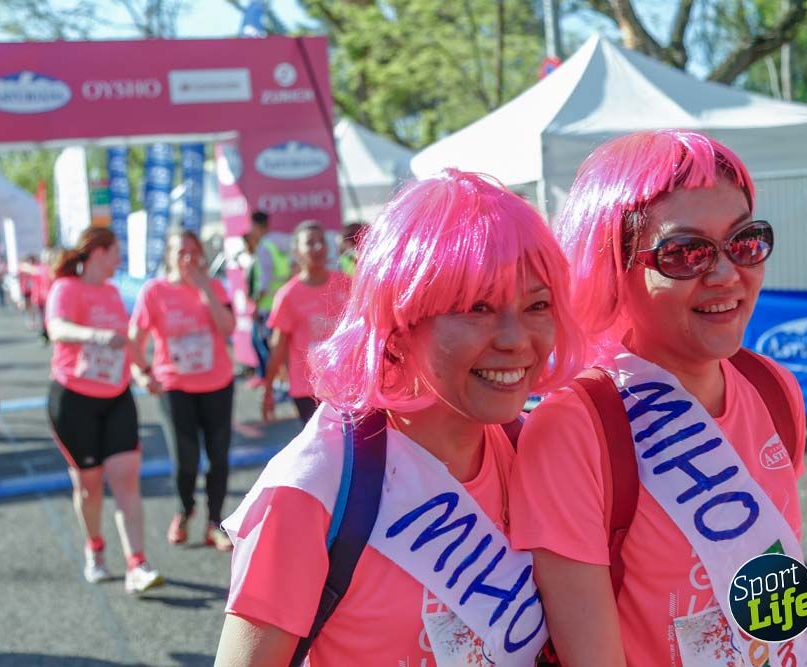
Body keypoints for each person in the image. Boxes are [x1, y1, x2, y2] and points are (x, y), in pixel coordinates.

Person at [214, 170, 584, 666]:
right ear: (399, 321)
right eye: (478, 307)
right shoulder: (314, 487)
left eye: (537, 304)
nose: (516, 339)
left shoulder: (531, 455)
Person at [509, 130, 807, 666]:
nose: (728, 274)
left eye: (745, 241)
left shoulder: (773, 388)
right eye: (685, 253)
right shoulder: (576, 427)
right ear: (611, 265)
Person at [44, 227, 163, 595]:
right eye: (116, 252)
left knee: (126, 477)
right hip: (74, 398)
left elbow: (123, 338)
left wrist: (142, 370)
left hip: (116, 395)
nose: (119, 260)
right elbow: (56, 328)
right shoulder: (65, 288)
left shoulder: (112, 292)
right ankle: (95, 548)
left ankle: (136, 564)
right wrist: (92, 335)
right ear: (98, 252)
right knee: (89, 485)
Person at [130, 230, 237, 551]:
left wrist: (206, 290)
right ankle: (184, 508)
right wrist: (142, 373)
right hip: (174, 384)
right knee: (185, 457)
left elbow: (229, 329)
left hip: (217, 382)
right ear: (169, 256)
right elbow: (134, 339)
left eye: (194, 251)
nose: (189, 258)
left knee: (218, 456)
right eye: (181, 252)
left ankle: (214, 522)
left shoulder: (214, 287)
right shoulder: (155, 292)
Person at [262, 220, 350, 425]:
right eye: (310, 242)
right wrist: (268, 390)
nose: (318, 247)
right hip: (309, 390)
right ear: (296, 252)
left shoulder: (345, 283)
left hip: (346, 385)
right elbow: (278, 347)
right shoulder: (287, 296)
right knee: (322, 453)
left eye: (321, 241)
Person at [246, 210, 291, 380]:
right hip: (284, 303)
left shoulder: (264, 247)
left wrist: (255, 305)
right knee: (285, 349)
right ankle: (286, 383)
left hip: (268, 306)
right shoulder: (281, 240)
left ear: (256, 226)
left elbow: (264, 281)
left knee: (274, 348)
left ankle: (281, 384)